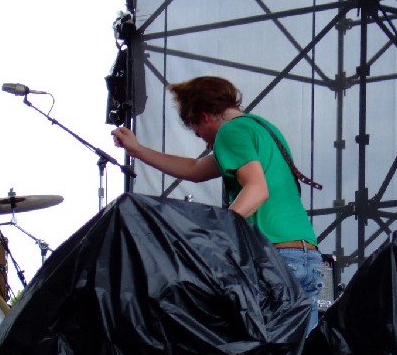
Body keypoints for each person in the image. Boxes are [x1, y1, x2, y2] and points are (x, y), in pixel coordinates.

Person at [111, 76, 323, 334]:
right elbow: (195, 169)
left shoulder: (230, 132)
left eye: (193, 126)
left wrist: (216, 237)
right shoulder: (261, 129)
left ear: (204, 115)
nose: (198, 135)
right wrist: (140, 150)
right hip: (307, 256)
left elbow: (257, 190)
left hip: (275, 259)